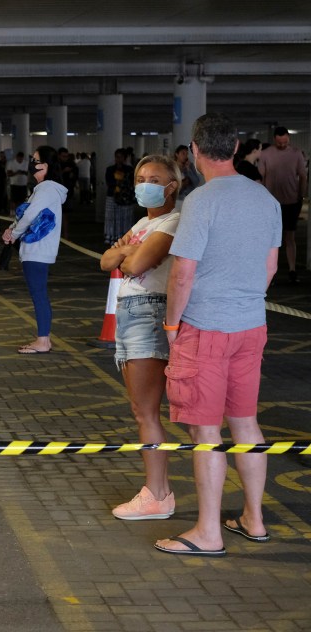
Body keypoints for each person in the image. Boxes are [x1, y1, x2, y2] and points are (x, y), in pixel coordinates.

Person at [154, 113, 280, 558]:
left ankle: (209, 532)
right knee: (246, 423)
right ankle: (254, 518)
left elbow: (182, 274)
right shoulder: (265, 199)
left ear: (193, 150)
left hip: (206, 328)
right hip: (252, 326)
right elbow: (270, 267)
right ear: (236, 145)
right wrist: (242, 301)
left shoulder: (202, 202)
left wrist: (172, 326)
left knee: (205, 431)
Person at [100, 154, 182, 520]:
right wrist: (126, 252)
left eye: (154, 178)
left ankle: (158, 495)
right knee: (141, 410)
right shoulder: (141, 223)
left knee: (146, 411)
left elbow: (132, 265)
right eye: (140, 177)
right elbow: (105, 261)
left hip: (149, 311)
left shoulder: (174, 221)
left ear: (172, 185)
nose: (144, 184)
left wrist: (127, 252)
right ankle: (158, 492)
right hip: (132, 313)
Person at [2, 145, 66, 354]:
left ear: (45, 165)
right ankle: (42, 338)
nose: (31, 163)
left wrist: (14, 233)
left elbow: (29, 216)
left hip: (38, 249)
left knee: (38, 294)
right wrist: (11, 229)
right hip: (36, 248)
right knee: (38, 293)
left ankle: (43, 340)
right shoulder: (44, 189)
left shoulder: (47, 189)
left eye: (35, 160)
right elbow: (26, 215)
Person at [259, 126, 308, 284]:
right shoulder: (266, 154)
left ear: (289, 138)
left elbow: (303, 175)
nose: (282, 145)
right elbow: (261, 176)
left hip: (291, 201)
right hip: (270, 203)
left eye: (285, 142)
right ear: (274, 139)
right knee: (272, 239)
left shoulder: (296, 153)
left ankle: (292, 270)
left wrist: (302, 195)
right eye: (279, 142)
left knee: (290, 236)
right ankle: (270, 272)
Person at [104, 148, 136, 244]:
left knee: (125, 219)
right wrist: (118, 182)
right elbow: (109, 182)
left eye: (120, 157)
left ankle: (125, 238)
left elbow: (132, 184)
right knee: (112, 218)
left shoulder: (130, 170)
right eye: (116, 157)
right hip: (112, 197)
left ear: (125, 158)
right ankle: (112, 238)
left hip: (126, 199)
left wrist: (121, 183)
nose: (118, 159)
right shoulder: (110, 169)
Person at [174, 144, 201, 209]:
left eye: (187, 154)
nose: (185, 156)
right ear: (177, 154)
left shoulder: (190, 166)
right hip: (177, 200)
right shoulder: (172, 167)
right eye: (183, 153)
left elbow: (196, 182)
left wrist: (189, 170)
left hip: (190, 198)